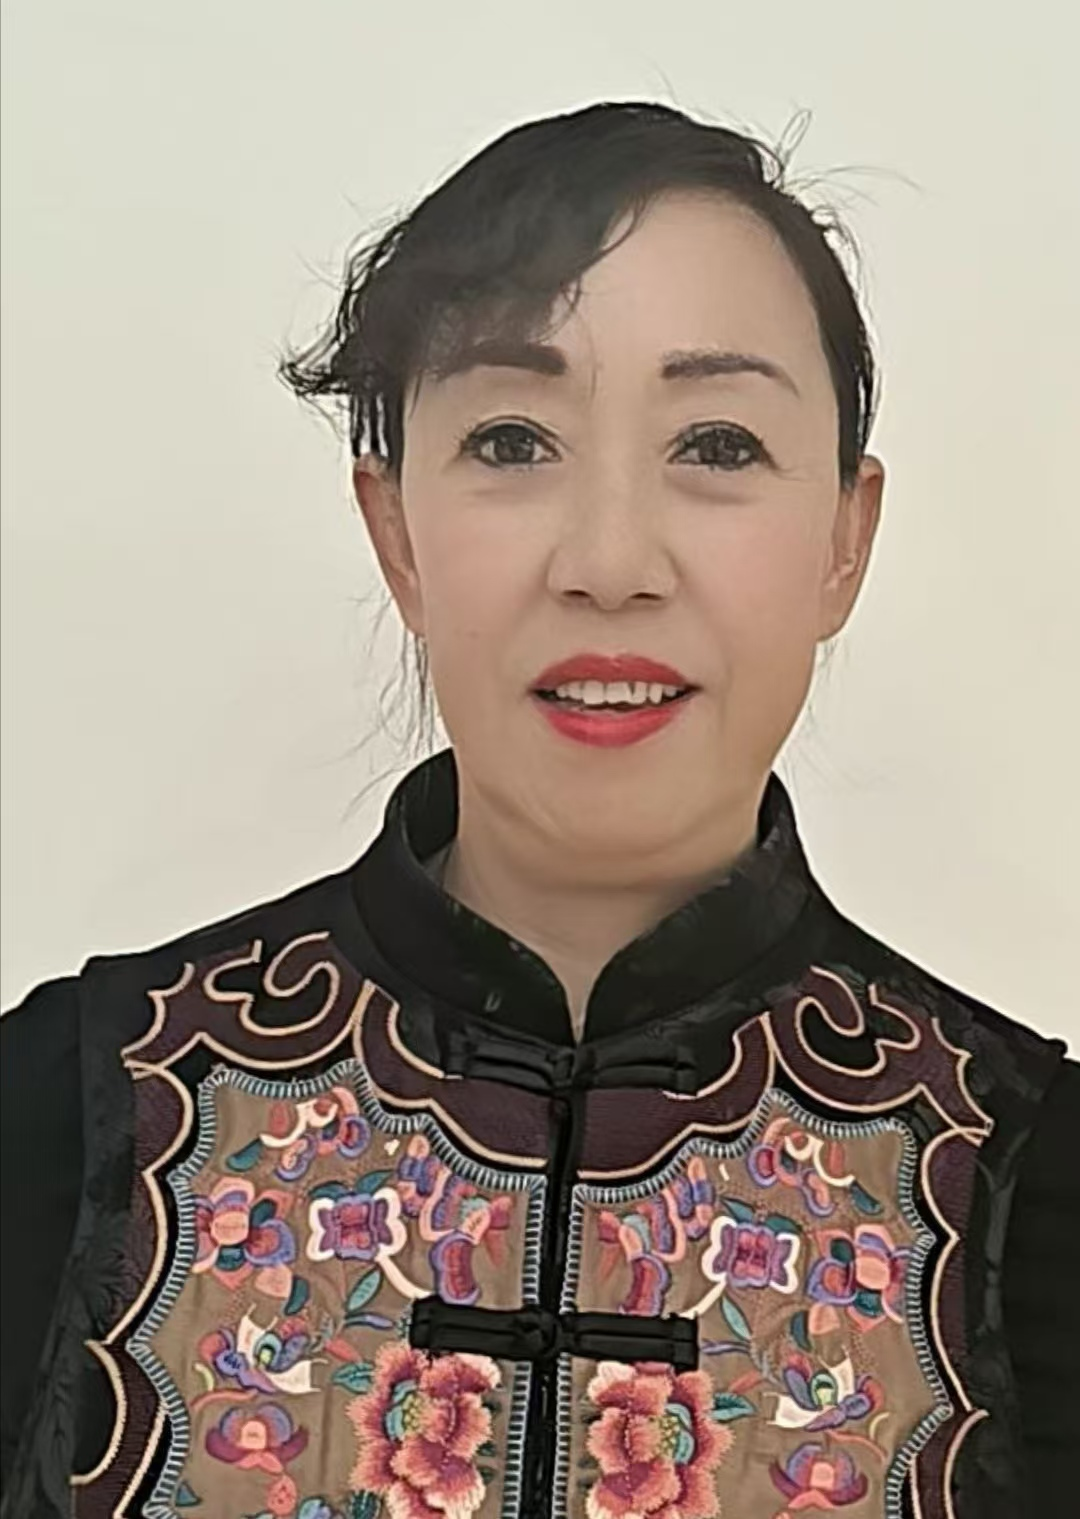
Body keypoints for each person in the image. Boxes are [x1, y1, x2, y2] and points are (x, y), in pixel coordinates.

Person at [1, 100, 1075, 1519]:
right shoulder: (80, 1111)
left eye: (719, 444)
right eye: (512, 441)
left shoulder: (1023, 1177)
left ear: (843, 540)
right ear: (397, 532)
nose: (610, 560)